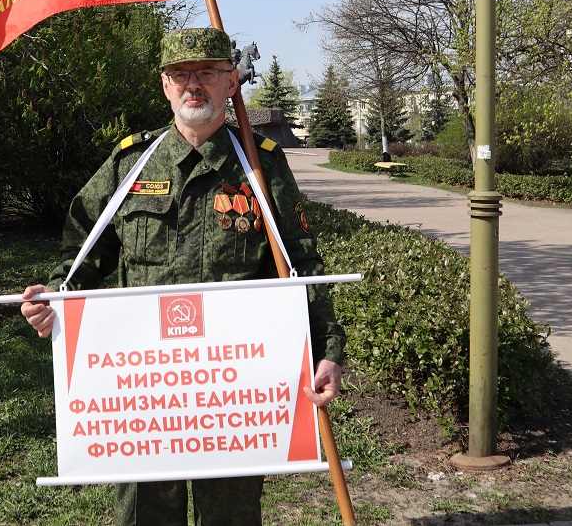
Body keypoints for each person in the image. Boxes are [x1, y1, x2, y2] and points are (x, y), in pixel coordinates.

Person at [20, 26, 346, 526]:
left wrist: (326, 349)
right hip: (143, 390)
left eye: (208, 73)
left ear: (231, 82)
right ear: (165, 86)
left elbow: (300, 261)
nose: (193, 84)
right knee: (145, 516)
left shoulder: (260, 165)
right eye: (180, 74)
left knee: (231, 519)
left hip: (234, 390)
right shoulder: (131, 164)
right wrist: (56, 297)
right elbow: (85, 245)